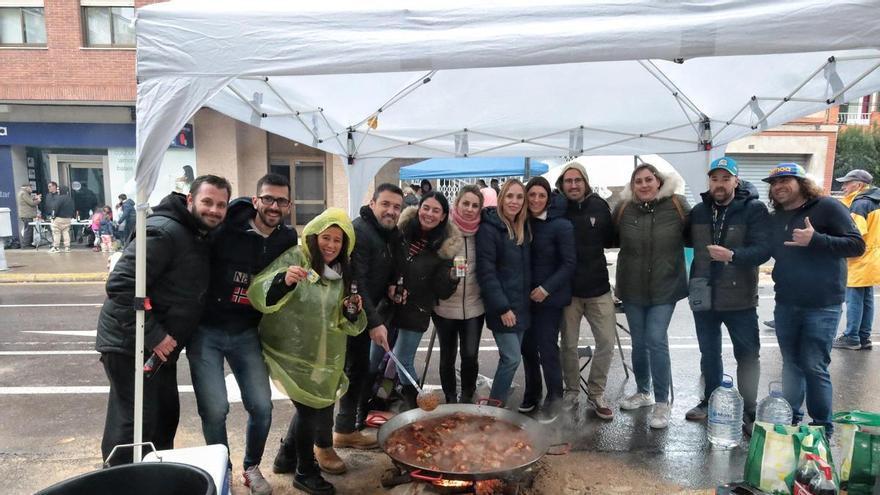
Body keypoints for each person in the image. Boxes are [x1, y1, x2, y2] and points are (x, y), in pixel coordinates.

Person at [95, 175, 231, 465]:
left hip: (158, 350)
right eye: (207, 202)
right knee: (135, 425)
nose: (214, 210)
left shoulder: (194, 232)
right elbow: (121, 286)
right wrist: (155, 335)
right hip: (131, 343)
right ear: (190, 200)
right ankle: (121, 481)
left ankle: (151, 478)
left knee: (163, 418)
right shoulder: (165, 232)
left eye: (221, 205)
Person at [188, 173, 298, 495]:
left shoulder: (286, 240)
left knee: (262, 406)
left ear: (288, 206)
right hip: (206, 330)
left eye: (281, 201)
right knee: (214, 408)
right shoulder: (225, 228)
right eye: (268, 198)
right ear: (256, 200)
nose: (274, 206)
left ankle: (251, 467)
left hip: (246, 331)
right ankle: (223, 471)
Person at [249, 208, 367, 495]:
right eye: (326, 238)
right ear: (314, 237)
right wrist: (284, 280)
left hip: (325, 356)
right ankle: (305, 471)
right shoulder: (297, 258)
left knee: (312, 407)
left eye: (338, 240)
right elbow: (261, 291)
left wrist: (352, 313)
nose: (331, 245)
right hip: (292, 353)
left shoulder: (343, 272)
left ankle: (287, 455)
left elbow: (343, 321)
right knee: (310, 410)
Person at [764, 163, 865, 435]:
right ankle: (791, 421)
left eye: (785, 180)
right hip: (786, 302)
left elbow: (857, 245)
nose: (778, 187)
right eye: (774, 183)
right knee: (791, 363)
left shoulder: (827, 207)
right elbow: (769, 251)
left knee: (814, 365)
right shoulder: (777, 217)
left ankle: (822, 427)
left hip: (822, 304)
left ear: (802, 183)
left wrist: (816, 239)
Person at [684, 157, 770, 431]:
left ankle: (749, 408)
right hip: (703, 292)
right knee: (708, 353)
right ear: (709, 182)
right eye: (714, 179)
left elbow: (764, 250)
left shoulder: (754, 209)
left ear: (736, 180)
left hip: (739, 296)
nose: (719, 184)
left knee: (747, 354)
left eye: (725, 178)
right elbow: (683, 240)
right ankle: (709, 400)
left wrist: (733, 255)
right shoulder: (698, 211)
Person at [323, 184, 399, 472]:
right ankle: (317, 447)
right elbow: (358, 283)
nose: (391, 211)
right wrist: (375, 322)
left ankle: (345, 430)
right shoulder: (360, 231)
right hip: (344, 316)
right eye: (386, 204)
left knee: (357, 373)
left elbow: (387, 269)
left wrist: (393, 284)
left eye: (396, 206)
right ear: (373, 203)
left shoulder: (386, 234)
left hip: (358, 317)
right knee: (333, 379)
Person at [613, 164, 690, 429]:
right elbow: (608, 237)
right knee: (638, 341)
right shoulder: (623, 209)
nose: (644, 185)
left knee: (656, 340)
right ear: (632, 186)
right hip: (632, 287)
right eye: (638, 181)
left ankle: (661, 402)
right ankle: (643, 391)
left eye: (649, 180)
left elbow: (696, 236)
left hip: (665, 286)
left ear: (659, 182)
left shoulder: (677, 205)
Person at [552, 159, 618, 420]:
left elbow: (612, 238)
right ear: (562, 184)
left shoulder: (600, 205)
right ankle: (571, 392)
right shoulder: (556, 207)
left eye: (578, 180)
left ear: (586, 182)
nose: (573, 185)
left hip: (599, 287)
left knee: (606, 342)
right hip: (568, 291)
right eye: (568, 181)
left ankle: (596, 392)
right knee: (568, 345)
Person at [383, 191, 461, 409]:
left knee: (402, 359)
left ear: (444, 216)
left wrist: (453, 278)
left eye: (436, 211)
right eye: (426, 208)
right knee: (376, 356)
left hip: (416, 310)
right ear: (419, 208)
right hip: (388, 305)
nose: (429, 214)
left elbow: (442, 291)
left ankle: (416, 407)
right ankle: (374, 401)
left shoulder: (445, 247)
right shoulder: (401, 231)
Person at [520, 177, 575, 422]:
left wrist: (546, 288)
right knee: (527, 348)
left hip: (549, 299)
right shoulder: (522, 222)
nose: (535, 200)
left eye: (541, 195)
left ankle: (555, 398)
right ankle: (533, 392)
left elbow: (569, 263)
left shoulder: (561, 225)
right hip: (524, 297)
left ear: (548, 198)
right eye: (531, 195)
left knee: (547, 348)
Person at [476, 179, 531, 405]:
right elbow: (486, 272)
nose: (514, 201)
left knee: (510, 359)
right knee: (511, 358)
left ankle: (498, 399)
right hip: (504, 308)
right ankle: (495, 405)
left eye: (519, 197)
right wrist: (502, 307)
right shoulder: (490, 228)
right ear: (501, 198)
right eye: (509, 196)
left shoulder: (522, 227)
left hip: (522, 306)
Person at [433, 185, 485, 404]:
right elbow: (431, 268)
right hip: (445, 307)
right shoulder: (443, 230)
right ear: (456, 204)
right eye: (466, 203)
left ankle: (467, 396)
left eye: (475, 205)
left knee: (470, 356)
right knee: (447, 356)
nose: (470, 209)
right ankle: (450, 398)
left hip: (474, 307)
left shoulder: (484, 231)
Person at [832, 169, 879, 351]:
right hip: (873, 257)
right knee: (867, 298)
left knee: (854, 298)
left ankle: (852, 337)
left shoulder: (860, 204)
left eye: (846, 183)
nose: (843, 186)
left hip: (859, 258)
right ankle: (864, 337)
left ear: (858, 185)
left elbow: (855, 234)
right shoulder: (875, 200)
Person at [42, 182, 75, 253]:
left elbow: (55, 208)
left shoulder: (59, 198)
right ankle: (67, 247)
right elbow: (73, 208)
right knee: (66, 232)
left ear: (61, 191)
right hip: (68, 218)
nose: (58, 191)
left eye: (59, 190)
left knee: (56, 232)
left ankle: (56, 247)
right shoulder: (70, 198)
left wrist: (53, 217)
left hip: (59, 218)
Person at [16, 183, 40, 249]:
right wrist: (38, 201)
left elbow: (29, 201)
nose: (31, 189)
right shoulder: (24, 193)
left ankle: (28, 244)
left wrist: (34, 198)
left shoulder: (23, 193)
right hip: (26, 215)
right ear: (27, 187)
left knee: (29, 229)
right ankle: (26, 245)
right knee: (28, 230)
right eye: (30, 187)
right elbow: (31, 203)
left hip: (27, 215)